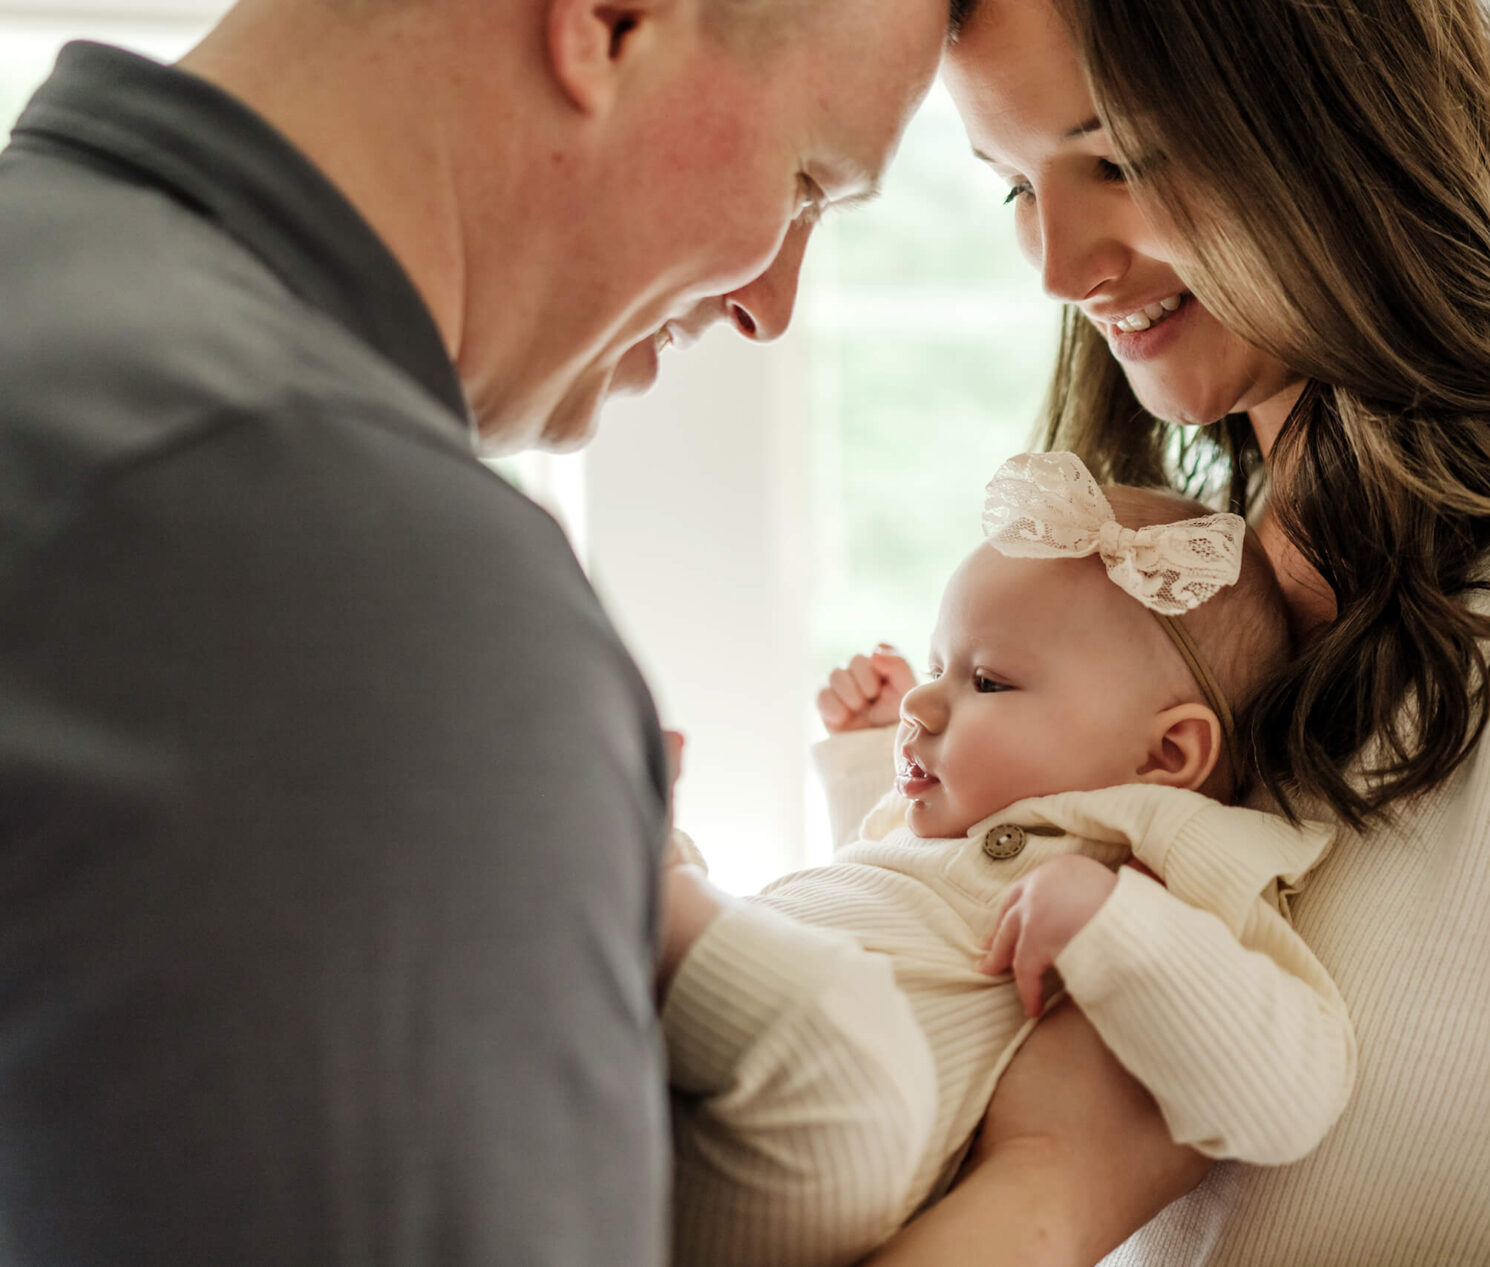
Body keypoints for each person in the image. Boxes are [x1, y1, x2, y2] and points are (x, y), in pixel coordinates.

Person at [680, 0, 1490, 1262]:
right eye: (1012, 188)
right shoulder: (1174, 609)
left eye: (1120, 159)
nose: (1057, 265)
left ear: (1338, 117)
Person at [0, 0, 951, 1260]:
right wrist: (1056, 1193)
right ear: (611, 23)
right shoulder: (346, 575)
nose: (771, 303)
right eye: (806, 182)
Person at [659, 451, 1355, 1267]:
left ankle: (638, 866)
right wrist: (865, 756)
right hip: (691, 1096)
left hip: (826, 1142)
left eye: (985, 681)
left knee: (794, 992)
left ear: (1168, 753)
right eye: (935, 666)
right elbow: (890, 902)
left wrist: (1119, 925)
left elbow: (1299, 1088)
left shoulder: (1162, 854)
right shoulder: (964, 821)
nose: (922, 700)